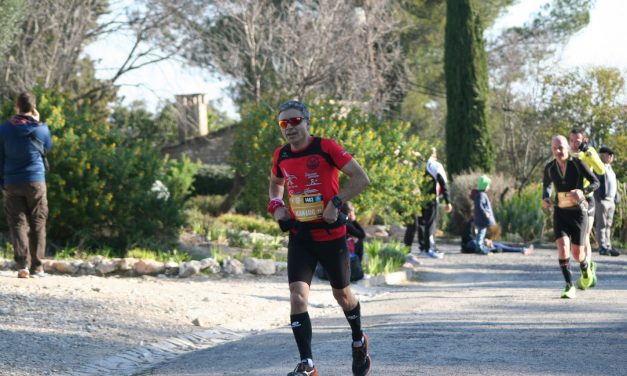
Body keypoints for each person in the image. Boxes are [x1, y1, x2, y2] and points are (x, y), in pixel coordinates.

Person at [268, 100, 372, 376]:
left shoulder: (326, 147)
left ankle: (359, 340)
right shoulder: (281, 155)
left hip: (331, 236)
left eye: (294, 121)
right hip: (300, 236)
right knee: (297, 297)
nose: (289, 127)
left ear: (306, 121)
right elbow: (276, 183)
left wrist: (335, 203)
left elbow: (361, 178)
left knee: (342, 295)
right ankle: (308, 365)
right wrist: (277, 207)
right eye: (283, 123)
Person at [0, 92, 52, 279]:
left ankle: (22, 266)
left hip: (12, 181)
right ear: (33, 107)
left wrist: (3, 182)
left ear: (17, 106)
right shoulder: (42, 129)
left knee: (17, 223)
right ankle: (37, 268)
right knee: (38, 221)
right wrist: (37, 122)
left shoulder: (4, 129)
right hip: (35, 180)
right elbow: (47, 148)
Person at [543, 135, 599, 298]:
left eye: (560, 147)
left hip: (578, 213)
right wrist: (545, 197)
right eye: (554, 148)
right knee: (562, 247)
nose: (558, 151)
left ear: (567, 147)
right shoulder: (550, 168)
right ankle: (569, 286)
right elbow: (546, 184)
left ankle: (585, 266)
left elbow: (596, 182)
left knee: (577, 254)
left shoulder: (577, 163)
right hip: (560, 213)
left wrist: (583, 191)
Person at [403, 147, 452, 259]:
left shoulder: (419, 165)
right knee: (430, 224)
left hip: (418, 199)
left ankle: (423, 247)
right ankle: (428, 249)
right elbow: (443, 183)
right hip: (431, 199)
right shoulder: (435, 165)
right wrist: (447, 201)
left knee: (421, 223)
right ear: (434, 154)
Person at [568, 128, 605, 271]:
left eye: (577, 140)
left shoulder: (589, 152)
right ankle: (584, 264)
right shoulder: (566, 152)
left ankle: (587, 269)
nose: (574, 143)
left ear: (584, 140)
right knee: (572, 239)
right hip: (569, 200)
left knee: (585, 236)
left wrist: (589, 153)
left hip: (586, 198)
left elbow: (601, 170)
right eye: (571, 140)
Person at [315, 201, 366, 282]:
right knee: (359, 241)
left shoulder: (330, 220)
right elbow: (362, 235)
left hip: (327, 252)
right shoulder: (346, 223)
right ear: (349, 212)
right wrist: (354, 221)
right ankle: (356, 268)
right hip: (339, 253)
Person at [594, 146, 620, 257]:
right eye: (609, 154)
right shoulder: (599, 167)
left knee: (608, 225)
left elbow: (614, 184)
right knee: (602, 224)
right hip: (602, 200)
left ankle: (608, 246)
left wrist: (616, 197)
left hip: (611, 201)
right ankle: (602, 246)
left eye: (612, 155)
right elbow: (595, 183)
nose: (611, 157)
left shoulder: (610, 168)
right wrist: (598, 199)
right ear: (603, 155)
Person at [460, 219, 533, 255]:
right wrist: (483, 241)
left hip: (480, 243)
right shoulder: (471, 223)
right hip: (469, 244)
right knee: (473, 243)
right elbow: (468, 238)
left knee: (498, 244)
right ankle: (492, 250)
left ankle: (521, 249)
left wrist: (487, 240)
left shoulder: (482, 225)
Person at [471, 175, 497, 255]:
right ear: (484, 185)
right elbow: (480, 205)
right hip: (482, 219)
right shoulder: (481, 195)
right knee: (481, 233)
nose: (488, 187)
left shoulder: (480, 194)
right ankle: (479, 247)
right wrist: (485, 212)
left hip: (481, 219)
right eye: (487, 185)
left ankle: (479, 247)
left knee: (481, 233)